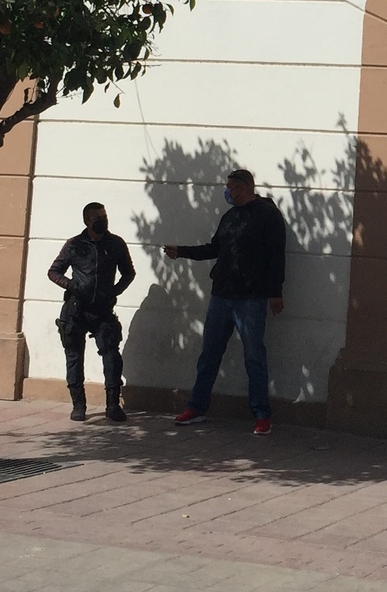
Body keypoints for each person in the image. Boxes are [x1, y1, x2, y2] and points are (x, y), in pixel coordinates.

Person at [165, 168, 286, 434]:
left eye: (231, 187)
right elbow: (214, 248)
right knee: (209, 353)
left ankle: (262, 415)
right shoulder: (230, 217)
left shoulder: (268, 215)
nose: (228, 192)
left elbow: (276, 255)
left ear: (244, 187)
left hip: (251, 298)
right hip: (221, 295)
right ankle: (196, 408)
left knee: (254, 357)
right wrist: (182, 252)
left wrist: (275, 292)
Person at [48, 201, 136, 423]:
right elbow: (54, 271)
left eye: (104, 217)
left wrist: (114, 292)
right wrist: (71, 285)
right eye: (98, 218)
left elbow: (129, 273)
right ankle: (78, 405)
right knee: (74, 356)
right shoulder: (74, 245)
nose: (103, 221)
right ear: (87, 221)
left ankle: (113, 405)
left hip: (103, 310)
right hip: (76, 309)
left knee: (111, 355)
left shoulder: (116, 244)